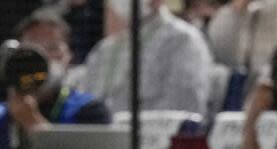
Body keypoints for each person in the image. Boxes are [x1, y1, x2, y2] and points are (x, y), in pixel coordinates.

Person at [0, 8, 111, 149]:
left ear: (69, 58)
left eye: (52, 48)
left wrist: (33, 124)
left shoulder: (90, 111)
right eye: (33, 49)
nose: (43, 58)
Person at [81, 0, 212, 114]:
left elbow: (184, 109)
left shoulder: (183, 41)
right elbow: (85, 106)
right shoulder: (104, 50)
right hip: (99, 138)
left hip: (149, 139)